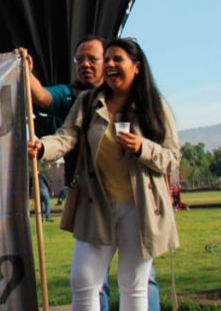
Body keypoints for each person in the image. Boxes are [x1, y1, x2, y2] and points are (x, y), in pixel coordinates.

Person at [27, 38, 180, 311]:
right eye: (107, 59)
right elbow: (67, 137)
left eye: (117, 60)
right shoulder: (88, 102)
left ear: (137, 67)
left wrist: (142, 147)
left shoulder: (153, 106)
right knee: (83, 279)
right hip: (97, 205)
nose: (110, 65)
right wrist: (42, 147)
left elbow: (171, 158)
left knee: (134, 284)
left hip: (139, 207)